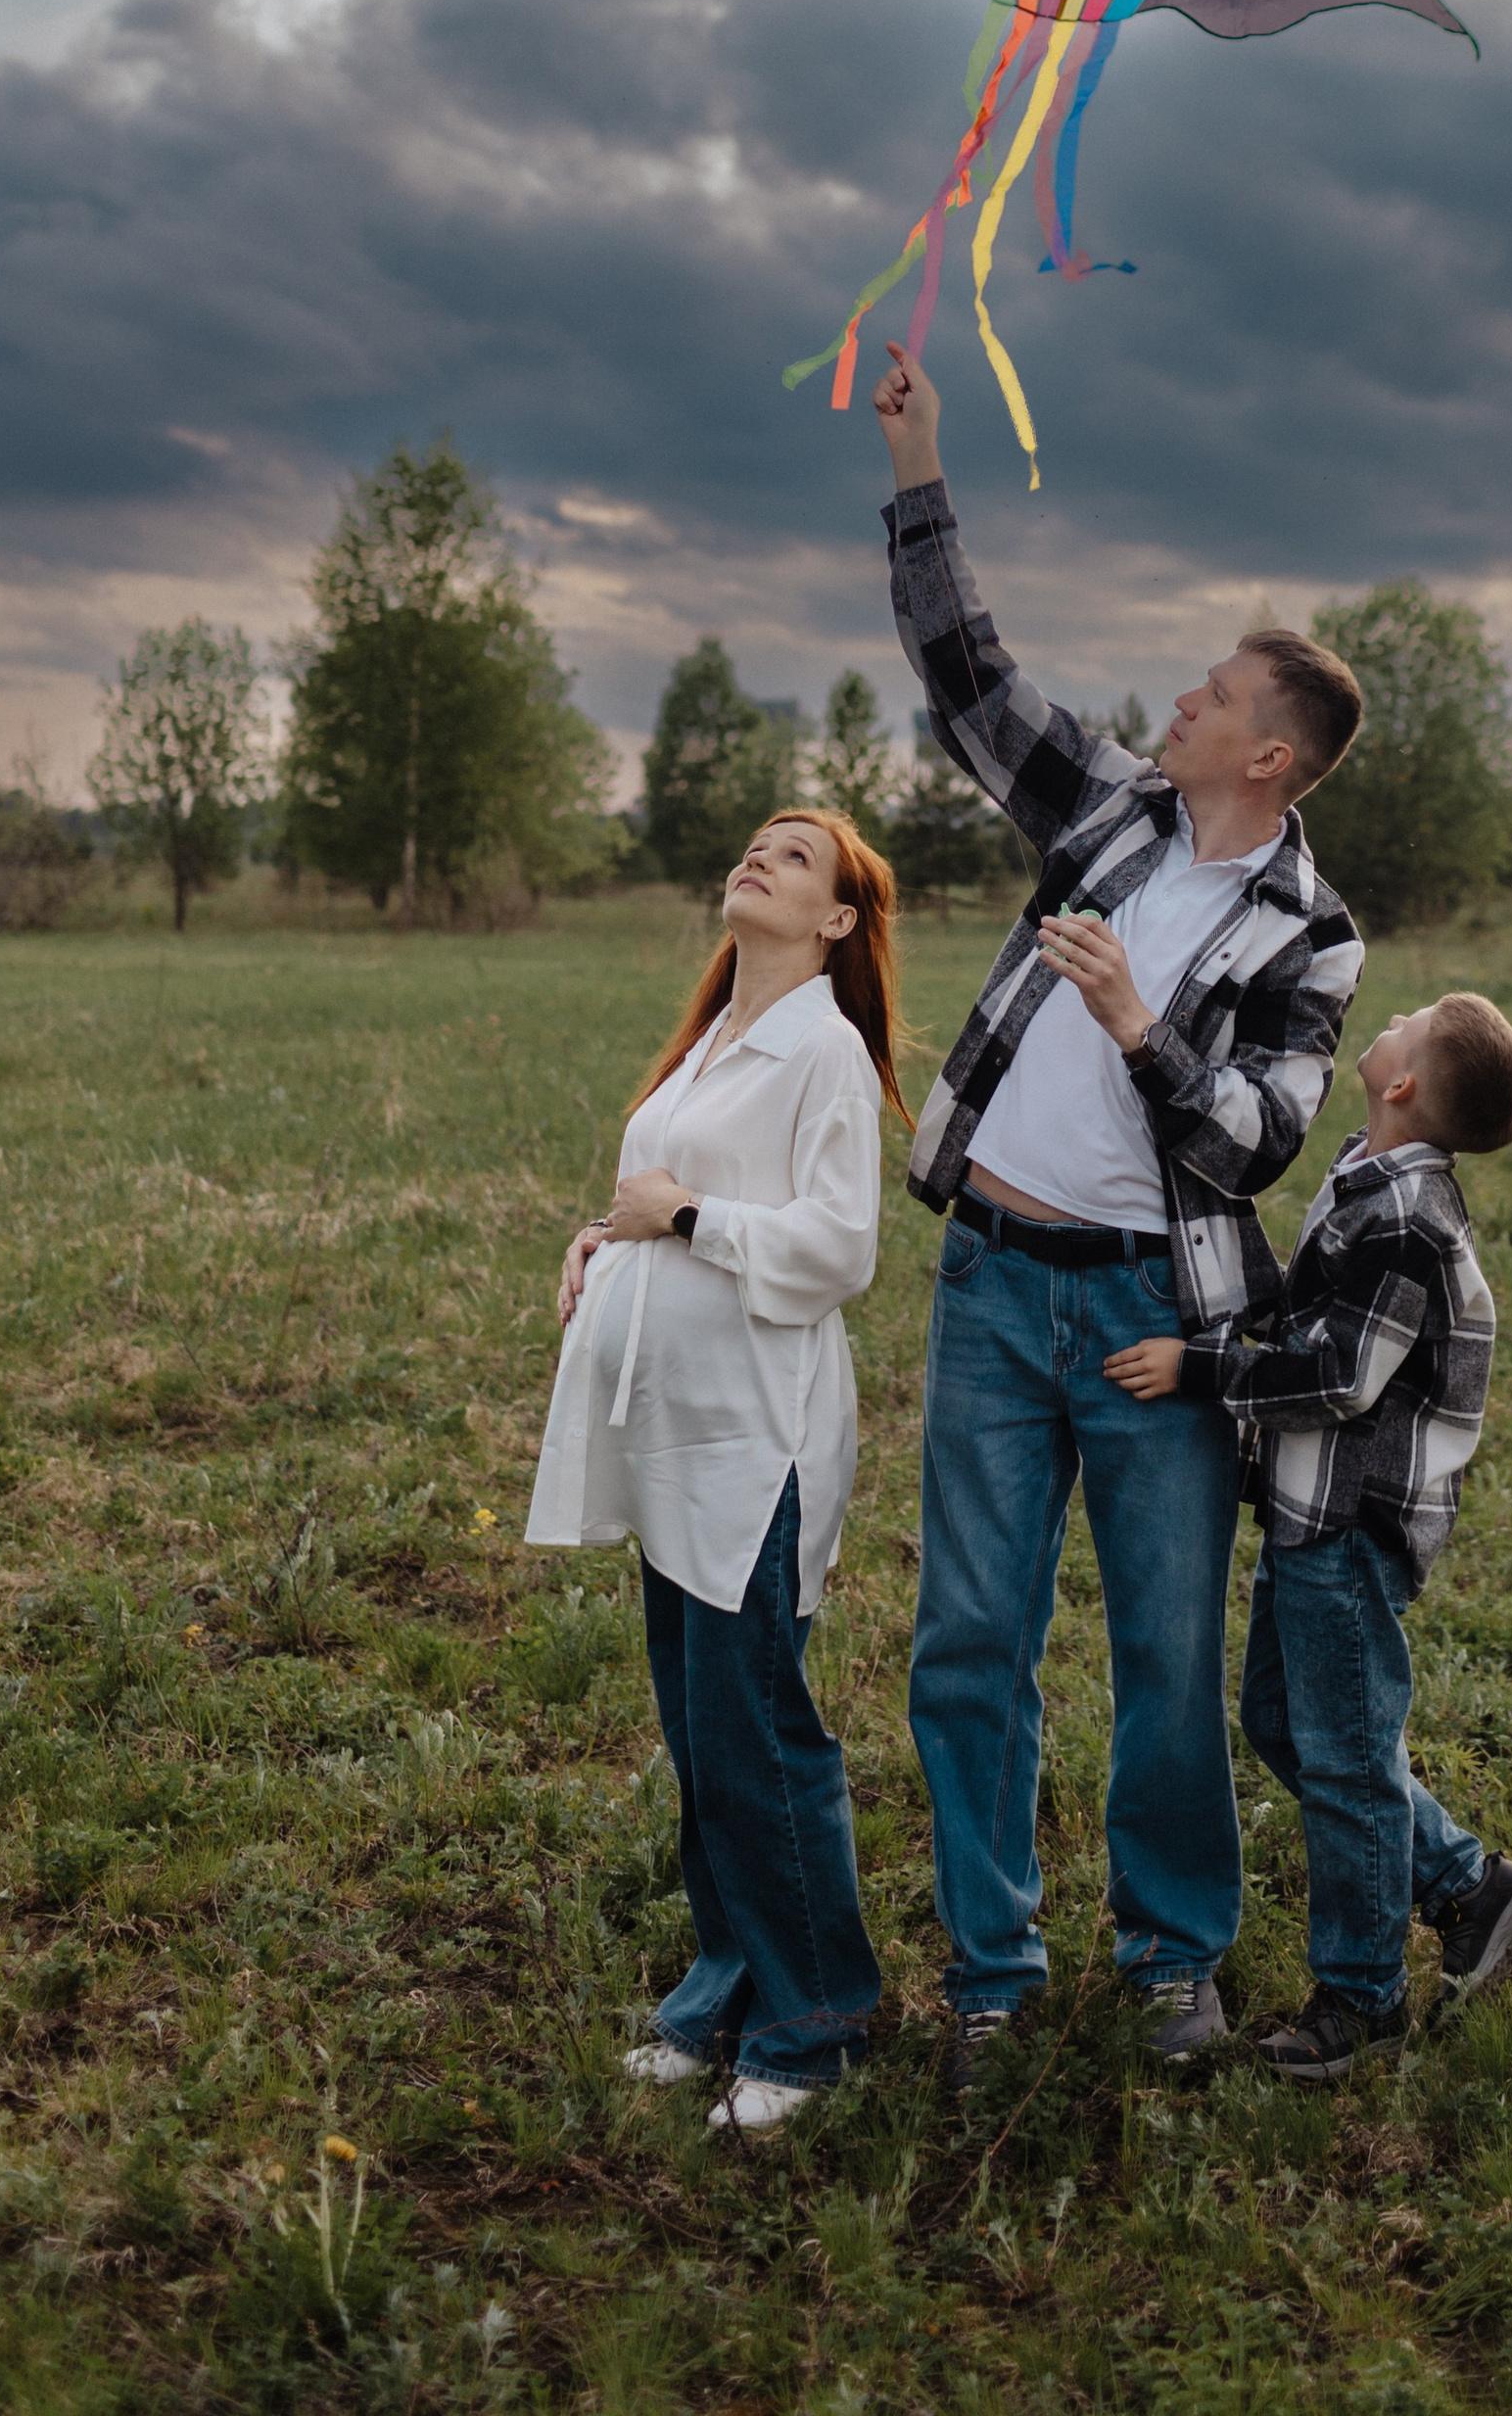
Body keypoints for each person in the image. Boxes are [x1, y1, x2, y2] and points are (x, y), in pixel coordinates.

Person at [873, 339, 1367, 2085]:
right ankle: (990, 1973)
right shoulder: (1105, 815)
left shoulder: (1316, 939)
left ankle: (1174, 1965)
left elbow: (1253, 1146)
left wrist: (1137, 1029)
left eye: (1211, 695)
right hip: (995, 1291)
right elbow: (968, 680)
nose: (1178, 701)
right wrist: (920, 472)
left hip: (1162, 1331)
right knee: (970, 1639)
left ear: (1277, 750)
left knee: (1164, 1657)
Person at [525, 810, 906, 2137]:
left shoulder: (829, 1053)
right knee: (701, 1732)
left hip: (756, 1437)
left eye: (796, 857)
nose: (760, 857)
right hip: (669, 1433)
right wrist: (601, 1238)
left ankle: (816, 2023)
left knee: (756, 1733)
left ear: (840, 922)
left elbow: (840, 1246)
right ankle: (728, 1987)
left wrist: (680, 1218)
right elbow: (656, 1197)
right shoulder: (713, 1042)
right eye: (754, 843)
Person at [1105, 988, 1512, 2082]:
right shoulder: (1369, 1172)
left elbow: (1345, 1376)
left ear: (1400, 1081)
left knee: (1347, 1763)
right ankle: (1464, 1884)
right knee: (1281, 1720)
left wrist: (1199, 1367)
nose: (1388, 1019)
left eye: (1410, 1019)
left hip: (1351, 1523)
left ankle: (1360, 1998)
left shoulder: (1405, 1217)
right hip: (1312, 1513)